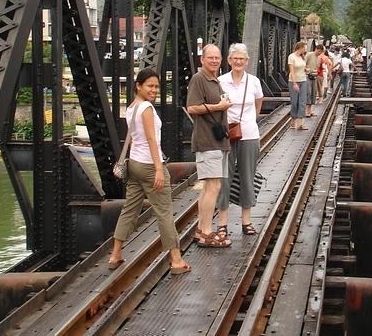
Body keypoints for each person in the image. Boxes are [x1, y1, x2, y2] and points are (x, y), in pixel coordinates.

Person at [108, 68, 192, 274]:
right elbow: (151, 139)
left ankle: (115, 254)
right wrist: (158, 169)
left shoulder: (132, 107)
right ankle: (176, 259)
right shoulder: (146, 108)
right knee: (164, 212)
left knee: (129, 209)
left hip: (134, 165)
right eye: (150, 86)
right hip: (148, 165)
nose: (154, 90)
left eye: (157, 86)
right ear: (138, 86)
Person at [186, 44, 234, 248]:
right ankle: (205, 231)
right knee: (213, 186)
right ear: (202, 60)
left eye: (217, 58)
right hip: (207, 141)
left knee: (210, 187)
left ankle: (202, 229)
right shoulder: (199, 79)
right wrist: (219, 107)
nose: (214, 61)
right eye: (210, 58)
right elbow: (192, 107)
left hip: (218, 141)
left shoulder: (215, 80)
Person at [217, 43, 264, 237]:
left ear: (247, 61)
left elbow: (258, 103)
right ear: (229, 60)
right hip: (226, 134)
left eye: (241, 59)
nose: (238, 61)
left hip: (249, 134)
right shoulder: (220, 81)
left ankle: (246, 221)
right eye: (234, 58)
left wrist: (249, 120)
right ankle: (222, 224)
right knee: (223, 178)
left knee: (247, 176)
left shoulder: (253, 82)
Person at [287, 41, 308, 130]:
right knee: (294, 102)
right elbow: (292, 71)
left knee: (302, 101)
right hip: (293, 81)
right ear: (300, 47)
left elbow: (302, 68)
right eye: (305, 48)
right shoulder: (291, 57)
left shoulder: (302, 57)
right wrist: (295, 83)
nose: (305, 50)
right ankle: (293, 119)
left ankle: (300, 122)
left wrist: (307, 70)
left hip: (303, 80)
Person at [304, 44, 319, 117]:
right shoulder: (309, 55)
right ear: (316, 49)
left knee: (313, 93)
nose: (319, 53)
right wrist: (307, 69)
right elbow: (304, 63)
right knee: (308, 93)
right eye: (319, 51)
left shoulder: (318, 58)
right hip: (308, 76)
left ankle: (310, 110)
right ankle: (306, 111)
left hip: (314, 77)